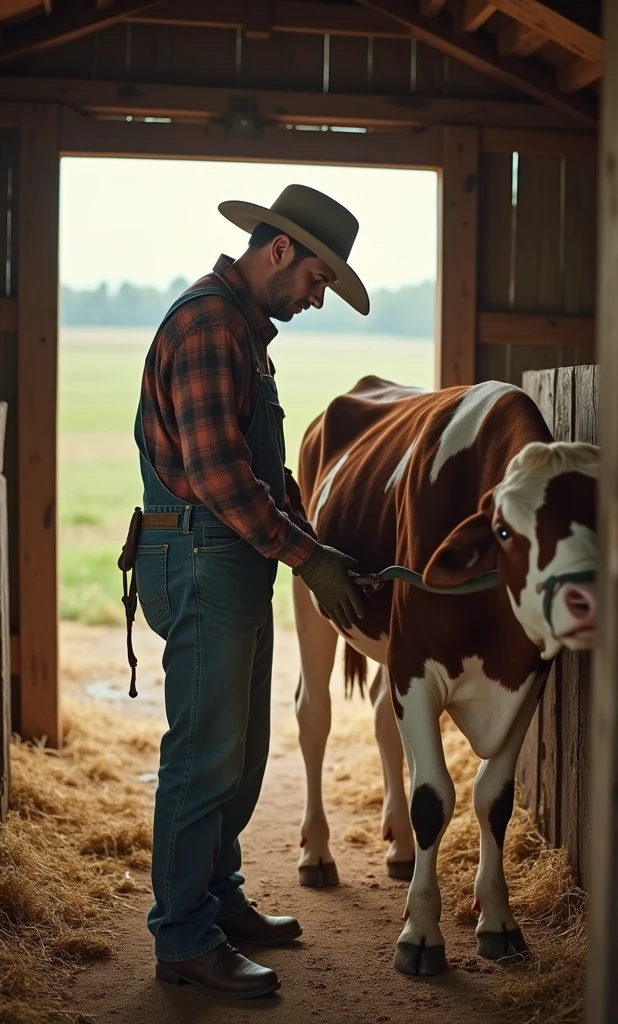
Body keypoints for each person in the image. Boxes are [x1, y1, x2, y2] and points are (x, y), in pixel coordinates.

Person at [121, 184, 368, 1000]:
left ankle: (216, 898)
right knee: (204, 752)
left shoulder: (247, 335)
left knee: (243, 748)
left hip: (233, 557)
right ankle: (184, 937)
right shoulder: (205, 325)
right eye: (318, 281)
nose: (316, 298)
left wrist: (318, 541)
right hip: (198, 554)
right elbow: (224, 479)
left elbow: (263, 471)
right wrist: (310, 560)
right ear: (281, 252)